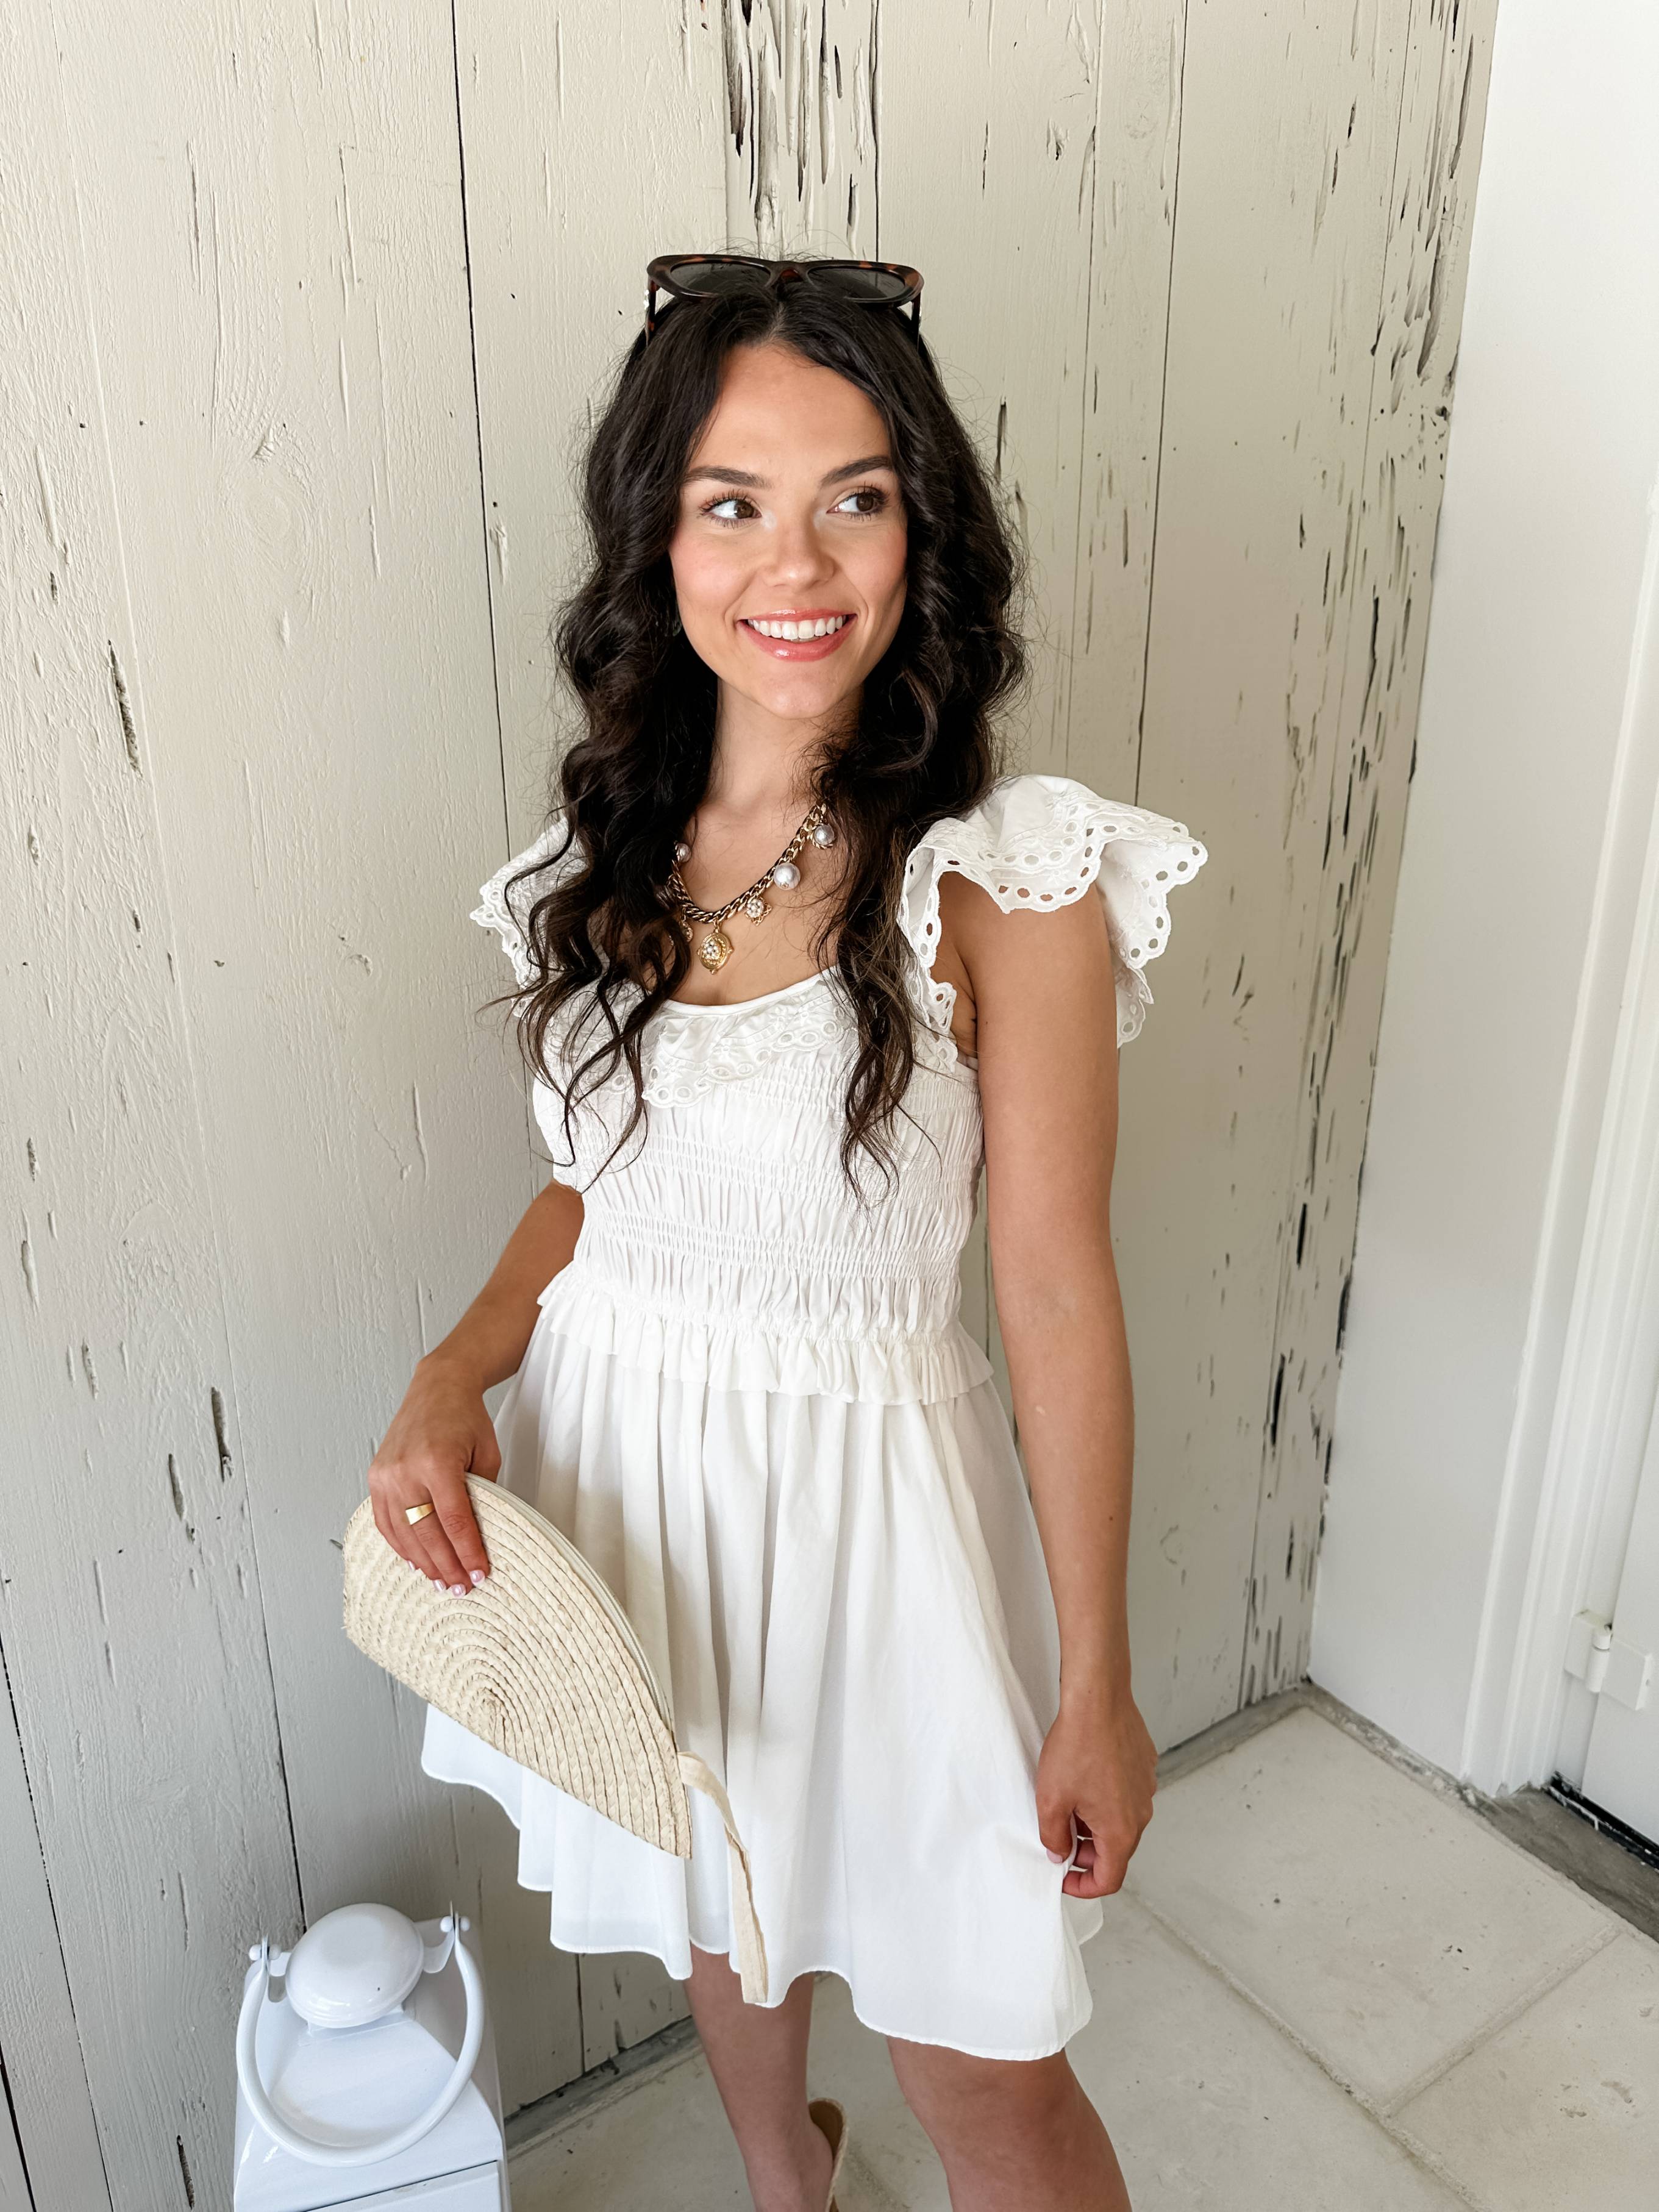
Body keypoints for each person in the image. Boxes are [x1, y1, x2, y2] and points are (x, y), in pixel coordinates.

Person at [366, 253, 1207, 2212]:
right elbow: (594, 1188)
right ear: (656, 533)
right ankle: (788, 2182)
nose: (796, 557)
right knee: (723, 1921)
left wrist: (1095, 1678)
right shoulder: (599, 864)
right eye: (731, 500)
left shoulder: (1004, 882)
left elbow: (1052, 1283)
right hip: (635, 1502)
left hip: (878, 1541)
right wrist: (454, 1365)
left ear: (925, 522)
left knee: (987, 2077)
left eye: (855, 492)